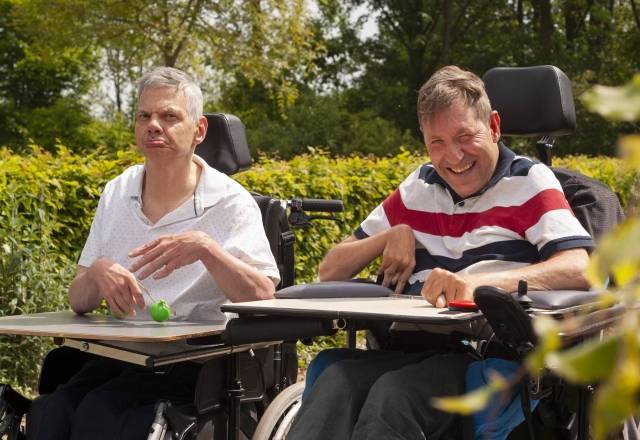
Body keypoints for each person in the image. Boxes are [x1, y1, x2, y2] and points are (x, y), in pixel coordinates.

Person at [286, 65, 593, 440]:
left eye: (465, 136)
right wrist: (389, 236)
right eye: (438, 143)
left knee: (393, 397)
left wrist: (476, 284)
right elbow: (330, 270)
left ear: (494, 127)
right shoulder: (419, 186)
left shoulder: (529, 181)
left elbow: (580, 267)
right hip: (412, 346)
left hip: (484, 351)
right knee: (334, 379)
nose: (454, 156)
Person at [26, 67, 280, 440]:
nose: (153, 125)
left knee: (99, 415)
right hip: (122, 353)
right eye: (144, 116)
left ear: (199, 131)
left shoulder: (231, 203)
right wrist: (97, 271)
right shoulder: (117, 191)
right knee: (52, 410)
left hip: (195, 362)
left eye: (169, 116)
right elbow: (78, 301)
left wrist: (207, 249)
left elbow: (262, 297)